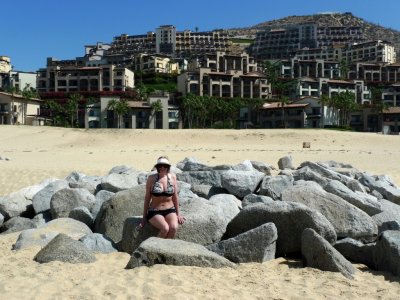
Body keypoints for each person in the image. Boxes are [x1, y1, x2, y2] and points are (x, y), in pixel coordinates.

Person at [139, 156, 185, 238]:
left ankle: (166, 248)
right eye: (160, 166)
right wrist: (144, 218)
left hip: (170, 210)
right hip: (155, 211)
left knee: (174, 227)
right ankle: (156, 248)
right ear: (157, 167)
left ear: (168, 167)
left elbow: (175, 196)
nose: (162, 168)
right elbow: (147, 198)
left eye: (165, 166)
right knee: (165, 228)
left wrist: (178, 214)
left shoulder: (173, 177)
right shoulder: (151, 178)